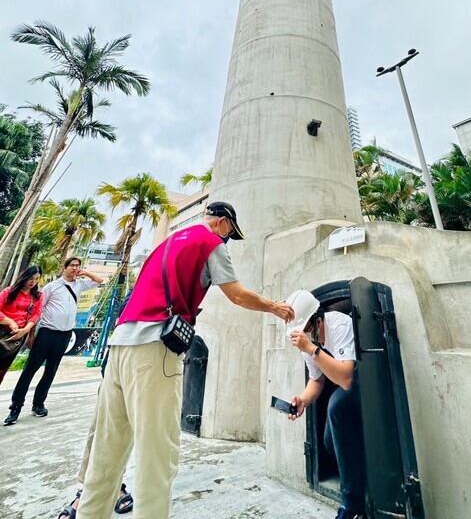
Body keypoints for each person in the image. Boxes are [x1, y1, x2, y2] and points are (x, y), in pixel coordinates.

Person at [75, 201, 295, 519]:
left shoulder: (167, 242)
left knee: (107, 449)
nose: (227, 241)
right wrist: (274, 306)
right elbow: (236, 294)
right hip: (153, 350)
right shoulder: (210, 243)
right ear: (222, 222)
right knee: (158, 453)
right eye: (229, 234)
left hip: (120, 344)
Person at [288, 290, 366, 519]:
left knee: (335, 406)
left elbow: (346, 377)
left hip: (362, 378)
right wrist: (303, 399)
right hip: (339, 384)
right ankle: (363, 474)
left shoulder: (339, 324)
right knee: (329, 442)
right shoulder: (306, 341)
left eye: (307, 329)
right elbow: (317, 379)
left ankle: (352, 504)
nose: (304, 335)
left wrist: (312, 348)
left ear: (317, 318)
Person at [4, 256, 105, 425]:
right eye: (71, 265)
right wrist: (32, 335)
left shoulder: (79, 285)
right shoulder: (52, 286)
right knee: (30, 369)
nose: (74, 268)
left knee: (51, 371)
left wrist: (85, 272)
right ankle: (16, 407)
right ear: (64, 268)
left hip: (64, 335)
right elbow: (37, 311)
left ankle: (38, 404)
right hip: (46, 333)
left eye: (77, 266)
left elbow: (100, 281)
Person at [0, 265, 44, 385]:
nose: (33, 282)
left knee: (3, 369)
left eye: (37, 279)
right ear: (24, 277)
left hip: (18, 336)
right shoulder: (9, 291)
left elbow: (36, 314)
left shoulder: (37, 296)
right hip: (2, 330)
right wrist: (10, 321)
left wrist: (25, 330)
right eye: (31, 278)